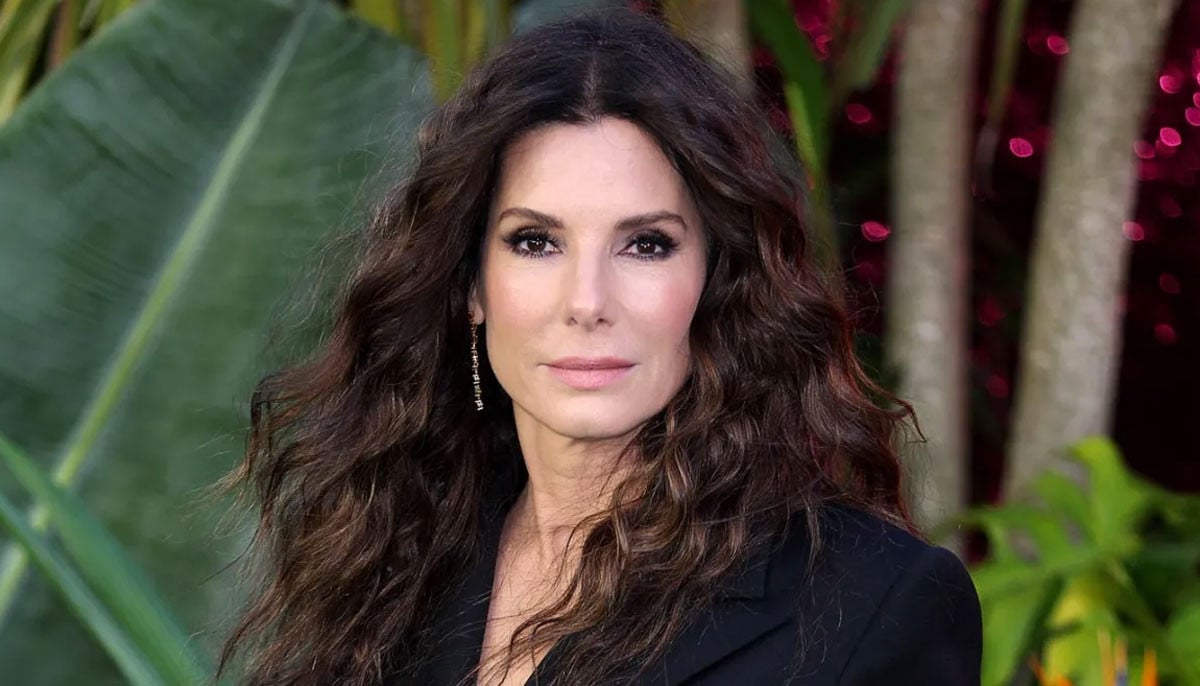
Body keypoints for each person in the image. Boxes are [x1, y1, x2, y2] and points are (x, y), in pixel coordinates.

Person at [214, 7, 982, 686]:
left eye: (646, 244)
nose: (587, 302)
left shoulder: (876, 602)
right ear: (470, 284)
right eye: (535, 241)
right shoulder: (391, 557)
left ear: (717, 277)